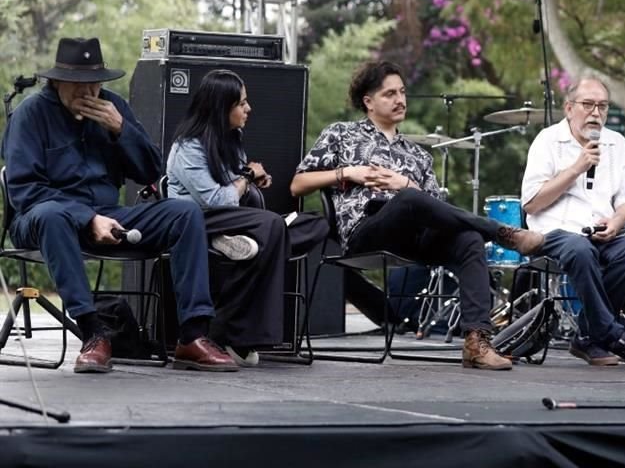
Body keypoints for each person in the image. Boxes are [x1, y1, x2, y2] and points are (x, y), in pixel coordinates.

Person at [1, 37, 236, 373]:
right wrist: (87, 217)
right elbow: (24, 192)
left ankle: (192, 336)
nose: (89, 93)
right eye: (78, 85)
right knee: (52, 215)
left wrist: (121, 130)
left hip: (109, 214)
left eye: (95, 83)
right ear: (56, 82)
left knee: (184, 213)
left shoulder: (114, 108)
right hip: (43, 218)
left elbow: (151, 171)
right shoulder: (30, 115)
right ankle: (93, 334)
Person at [290, 60, 545, 371]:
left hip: (415, 238)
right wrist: (348, 172)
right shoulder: (341, 135)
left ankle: (476, 342)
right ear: (368, 102)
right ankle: (503, 232)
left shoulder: (418, 155)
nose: (400, 100)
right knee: (410, 199)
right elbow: (297, 185)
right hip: (366, 232)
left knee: (467, 239)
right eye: (389, 94)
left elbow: (439, 212)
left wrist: (404, 184)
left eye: (402, 92)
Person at [165, 69, 328, 367]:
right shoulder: (188, 146)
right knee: (272, 227)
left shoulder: (230, 140)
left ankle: (240, 244)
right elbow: (217, 200)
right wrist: (248, 177)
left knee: (315, 224)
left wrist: (249, 180)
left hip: (234, 222)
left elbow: (235, 191)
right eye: (241, 103)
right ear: (220, 107)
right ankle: (241, 335)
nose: (248, 109)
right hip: (198, 220)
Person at [521, 78, 625, 367]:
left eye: (602, 106)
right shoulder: (547, 140)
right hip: (555, 232)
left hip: (599, 232)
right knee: (580, 250)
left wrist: (616, 222)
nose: (596, 113)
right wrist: (576, 168)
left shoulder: (617, 143)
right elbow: (532, 202)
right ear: (569, 108)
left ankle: (588, 335)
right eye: (588, 105)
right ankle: (612, 335)